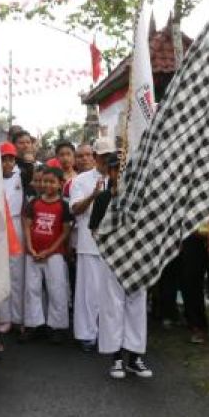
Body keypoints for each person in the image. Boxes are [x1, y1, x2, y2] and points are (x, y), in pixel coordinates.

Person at [93, 153, 153, 379]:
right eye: (117, 170)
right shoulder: (103, 199)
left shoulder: (143, 199)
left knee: (137, 306)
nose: (121, 175)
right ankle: (116, 357)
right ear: (111, 173)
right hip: (112, 260)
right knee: (113, 307)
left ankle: (135, 357)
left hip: (137, 258)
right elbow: (95, 230)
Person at [69, 138, 115, 351]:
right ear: (95, 157)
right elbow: (75, 209)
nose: (106, 160)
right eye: (103, 156)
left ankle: (109, 334)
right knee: (88, 293)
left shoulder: (120, 178)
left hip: (115, 244)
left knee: (111, 294)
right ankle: (87, 334)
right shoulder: (81, 180)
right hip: (89, 243)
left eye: (109, 156)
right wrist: (93, 196)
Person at [23, 166, 73, 342]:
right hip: (33, 253)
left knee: (56, 288)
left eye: (52, 181)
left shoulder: (64, 206)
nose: (48, 184)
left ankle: (57, 327)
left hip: (54, 254)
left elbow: (65, 232)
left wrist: (49, 251)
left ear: (61, 184)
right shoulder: (34, 203)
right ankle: (34, 324)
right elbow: (27, 226)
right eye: (45, 181)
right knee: (32, 288)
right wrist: (30, 247)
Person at [0, 142, 26, 339]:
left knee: (17, 273)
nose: (7, 163)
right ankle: (4, 317)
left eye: (10, 159)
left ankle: (19, 317)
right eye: (3, 159)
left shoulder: (22, 176)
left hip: (16, 224)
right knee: (1, 273)